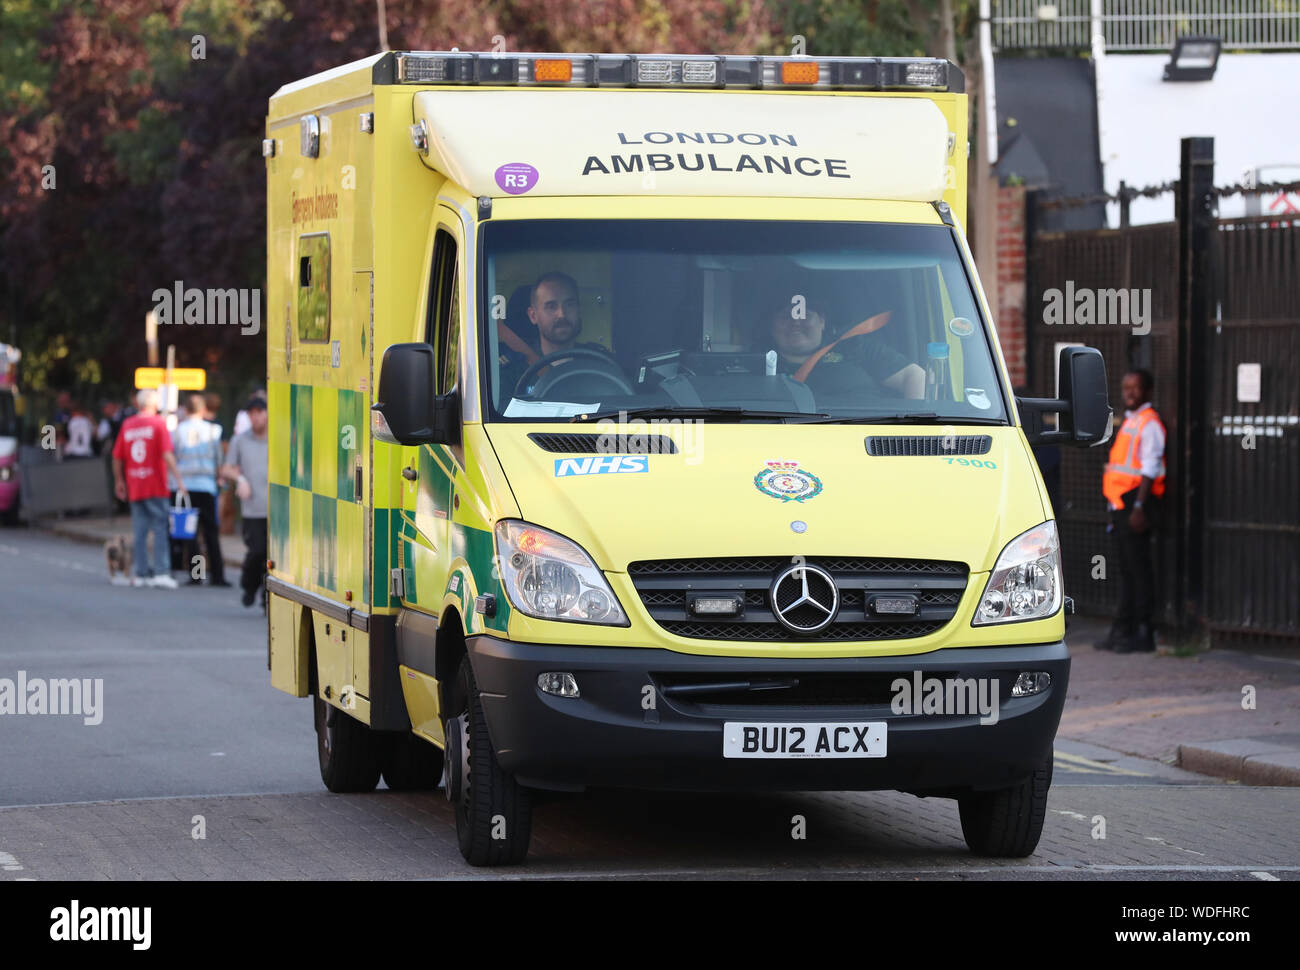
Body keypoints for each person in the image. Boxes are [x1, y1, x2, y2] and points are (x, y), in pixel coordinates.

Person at [1096, 369, 1166, 653]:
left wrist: (1139, 506)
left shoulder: (1149, 424)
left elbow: (1150, 467)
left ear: (1148, 391)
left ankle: (1144, 633)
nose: (1130, 393)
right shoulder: (1131, 421)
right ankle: (1122, 630)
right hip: (1122, 503)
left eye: (1136, 388)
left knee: (1138, 571)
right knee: (1127, 571)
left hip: (1135, 504)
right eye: (1126, 388)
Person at [765, 302, 926, 397]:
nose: (796, 322)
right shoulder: (749, 365)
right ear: (771, 326)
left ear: (822, 321)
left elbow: (913, 376)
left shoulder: (855, 346)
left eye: (804, 315)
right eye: (786, 316)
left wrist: (915, 430)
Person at [498, 272, 620, 397]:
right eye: (551, 306)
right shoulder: (514, 370)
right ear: (533, 315)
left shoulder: (601, 363)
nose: (562, 314)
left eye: (569, 304)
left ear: (579, 310)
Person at [111, 388, 186, 588]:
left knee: (140, 531)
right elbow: (167, 454)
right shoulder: (158, 424)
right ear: (154, 405)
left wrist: (119, 481)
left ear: (138, 404)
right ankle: (161, 572)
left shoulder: (128, 425)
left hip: (135, 483)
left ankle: (142, 572)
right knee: (160, 529)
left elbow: (117, 456)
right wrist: (179, 479)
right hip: (156, 484)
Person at [170, 393, 229, 587]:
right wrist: (220, 478)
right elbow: (219, 459)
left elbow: (173, 456)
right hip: (207, 486)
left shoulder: (178, 431)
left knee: (191, 533)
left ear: (185, 410)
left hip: (185, 487)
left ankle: (197, 574)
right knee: (211, 532)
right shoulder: (214, 430)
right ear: (203, 410)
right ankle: (218, 576)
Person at [222, 395, 268, 608]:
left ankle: (267, 598)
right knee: (257, 551)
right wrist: (240, 480)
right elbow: (227, 468)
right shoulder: (240, 440)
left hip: (277, 510)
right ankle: (249, 586)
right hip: (253, 509)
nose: (256, 417)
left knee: (273, 557)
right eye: (252, 414)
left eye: (260, 412)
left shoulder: (279, 438)